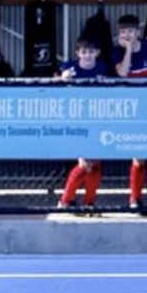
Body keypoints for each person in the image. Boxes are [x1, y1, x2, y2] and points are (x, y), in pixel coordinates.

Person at [56, 39, 110, 211]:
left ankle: (89, 203)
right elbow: (54, 81)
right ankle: (65, 201)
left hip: (96, 119)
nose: (87, 56)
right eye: (84, 52)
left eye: (91, 52)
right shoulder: (70, 67)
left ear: (97, 53)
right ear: (78, 53)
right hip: (76, 119)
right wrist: (62, 78)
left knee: (96, 164)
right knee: (84, 162)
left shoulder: (101, 68)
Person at [111, 15, 146, 213]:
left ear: (138, 32)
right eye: (123, 32)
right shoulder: (117, 51)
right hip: (134, 111)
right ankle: (135, 198)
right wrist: (128, 51)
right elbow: (123, 73)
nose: (127, 35)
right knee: (139, 156)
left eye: (130, 31)